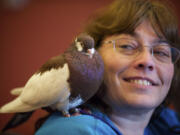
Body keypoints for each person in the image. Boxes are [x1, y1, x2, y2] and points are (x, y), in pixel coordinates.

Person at [35, 0, 180, 135]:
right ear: (90, 58)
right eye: (127, 46)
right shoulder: (74, 130)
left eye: (162, 52)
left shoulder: (166, 123)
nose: (147, 61)